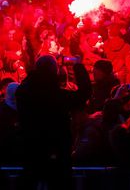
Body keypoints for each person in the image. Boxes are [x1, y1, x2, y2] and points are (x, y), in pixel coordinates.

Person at [15, 55, 91, 190]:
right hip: (57, 149)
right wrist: (78, 66)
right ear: (55, 71)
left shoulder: (23, 92)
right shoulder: (57, 95)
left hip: (30, 148)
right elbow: (83, 94)